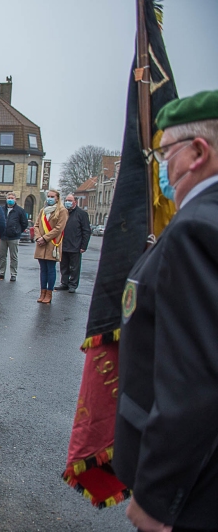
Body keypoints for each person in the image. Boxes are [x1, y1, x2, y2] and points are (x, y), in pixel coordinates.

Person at [113, 90, 218, 532]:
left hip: (194, 493)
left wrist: (158, 498)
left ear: (198, 152)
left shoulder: (197, 228)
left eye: (166, 152)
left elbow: (194, 379)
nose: (162, 167)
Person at [33, 189, 68, 304]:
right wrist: (38, 237)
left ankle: (49, 293)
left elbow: (59, 228)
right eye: (48, 196)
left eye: (52, 196)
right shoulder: (43, 211)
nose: (50, 198)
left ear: (57, 198)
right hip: (41, 244)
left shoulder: (62, 211)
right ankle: (42, 292)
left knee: (50, 269)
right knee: (43, 270)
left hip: (52, 244)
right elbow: (36, 225)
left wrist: (45, 238)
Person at [55, 194, 91, 293]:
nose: (68, 202)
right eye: (66, 200)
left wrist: (84, 246)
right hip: (63, 244)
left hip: (76, 245)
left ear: (75, 201)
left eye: (70, 200)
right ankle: (64, 283)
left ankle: (73, 284)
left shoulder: (82, 214)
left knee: (74, 267)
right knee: (64, 266)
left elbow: (86, 231)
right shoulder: (63, 212)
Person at [0, 192, 28, 282]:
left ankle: (13, 274)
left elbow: (24, 223)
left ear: (15, 199)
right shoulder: (1, 209)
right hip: (3, 236)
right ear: (6, 199)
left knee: (14, 257)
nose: (10, 199)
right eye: (8, 198)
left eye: (12, 198)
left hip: (14, 237)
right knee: (2, 256)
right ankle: (1, 272)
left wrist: (17, 231)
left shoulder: (20, 210)